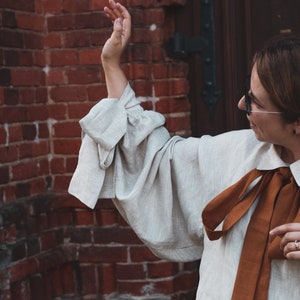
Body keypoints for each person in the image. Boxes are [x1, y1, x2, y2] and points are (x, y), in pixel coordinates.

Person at [69, 0, 300, 298]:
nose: (241, 105)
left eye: (256, 102)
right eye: (246, 90)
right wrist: (111, 64)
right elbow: (154, 160)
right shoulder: (232, 153)